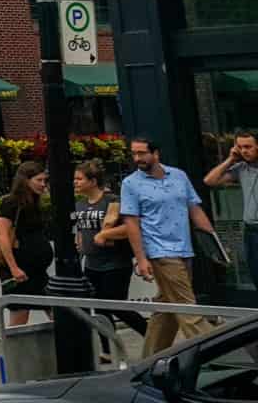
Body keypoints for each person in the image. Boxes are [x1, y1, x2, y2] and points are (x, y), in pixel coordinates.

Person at [121, 137, 216, 354]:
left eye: (142, 153)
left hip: (184, 248)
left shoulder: (179, 176)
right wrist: (142, 258)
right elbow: (131, 223)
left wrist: (214, 242)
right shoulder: (131, 184)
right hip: (160, 251)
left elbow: (195, 209)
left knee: (166, 307)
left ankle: (149, 359)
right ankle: (214, 352)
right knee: (187, 307)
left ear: (156, 154)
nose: (137, 158)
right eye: (134, 154)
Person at [73, 160, 147, 338]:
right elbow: (82, 229)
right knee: (99, 309)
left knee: (116, 305)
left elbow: (130, 227)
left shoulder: (112, 202)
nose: (75, 182)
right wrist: (80, 241)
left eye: (79, 179)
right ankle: (108, 349)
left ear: (93, 181)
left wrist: (105, 234)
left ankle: (151, 336)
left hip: (115, 263)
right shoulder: (79, 205)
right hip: (92, 264)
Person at [0, 161, 53, 327]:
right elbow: (2, 234)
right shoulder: (11, 202)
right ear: (26, 180)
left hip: (38, 271)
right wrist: (13, 267)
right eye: (39, 180)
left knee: (57, 311)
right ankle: (12, 353)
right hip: (19, 271)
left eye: (45, 181)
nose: (43, 184)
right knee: (20, 316)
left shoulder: (35, 202)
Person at [203, 132, 258, 279]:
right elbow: (210, 181)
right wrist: (230, 159)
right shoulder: (241, 168)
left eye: (248, 147)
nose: (244, 151)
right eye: (240, 147)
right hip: (251, 230)